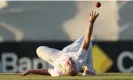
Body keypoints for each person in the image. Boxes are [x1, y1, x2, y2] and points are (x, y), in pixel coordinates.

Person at [21, 11, 99, 76]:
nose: (71, 60)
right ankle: (89, 69)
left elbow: (47, 71)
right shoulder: (79, 57)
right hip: (74, 49)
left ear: (65, 69)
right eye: (73, 63)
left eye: (69, 64)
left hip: (57, 56)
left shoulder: (58, 72)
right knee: (88, 41)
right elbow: (87, 39)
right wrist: (91, 22)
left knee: (39, 50)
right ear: (76, 65)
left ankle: (89, 70)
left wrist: (30, 70)